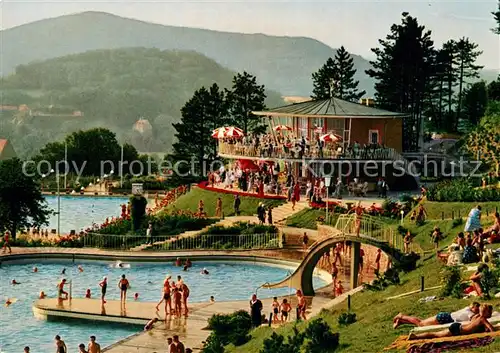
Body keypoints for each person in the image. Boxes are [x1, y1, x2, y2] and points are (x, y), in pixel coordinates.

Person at [408, 304, 494, 340]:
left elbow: (475, 326)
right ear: (486, 312)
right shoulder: (483, 319)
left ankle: (415, 336)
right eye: (490, 312)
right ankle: (415, 337)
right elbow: (492, 330)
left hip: (458, 326)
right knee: (436, 335)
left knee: (436, 334)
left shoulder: (476, 316)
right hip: (458, 330)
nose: (491, 314)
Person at [393, 302, 480, 328]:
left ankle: (402, 321)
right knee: (421, 324)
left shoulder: (468, 309)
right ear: (472, 307)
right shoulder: (469, 311)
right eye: (476, 309)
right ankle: (401, 316)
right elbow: (473, 319)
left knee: (421, 323)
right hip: (445, 318)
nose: (476, 311)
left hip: (445, 317)